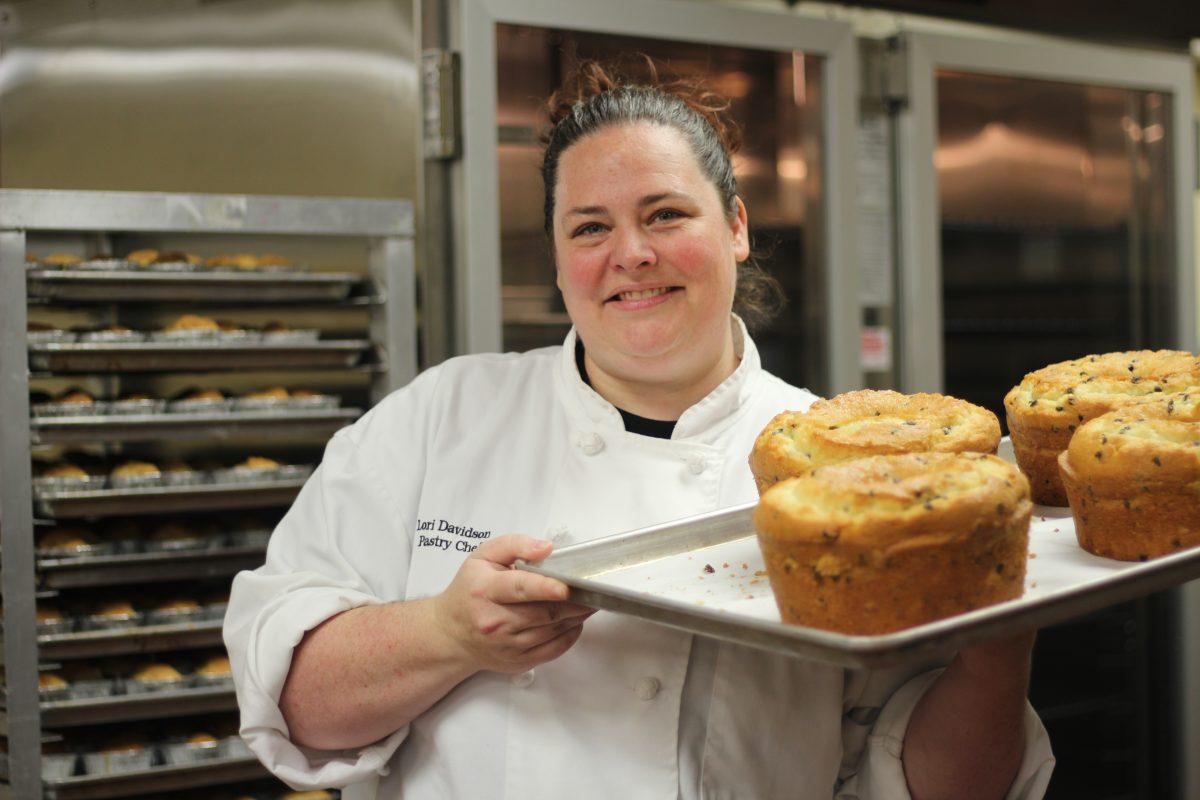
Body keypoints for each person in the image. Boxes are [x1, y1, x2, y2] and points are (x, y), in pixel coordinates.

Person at [225, 60, 1054, 800]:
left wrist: (1001, 638)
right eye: (589, 227)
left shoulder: (846, 466)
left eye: (664, 214)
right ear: (557, 261)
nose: (631, 254)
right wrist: (445, 632)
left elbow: (940, 787)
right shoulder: (441, 417)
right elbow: (296, 707)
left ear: (734, 225)